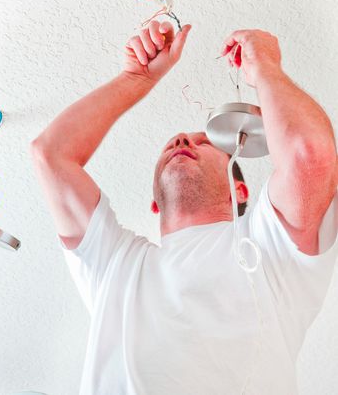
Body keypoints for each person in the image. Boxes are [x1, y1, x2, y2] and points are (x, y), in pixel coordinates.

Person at [30, 21, 338, 394]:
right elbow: (50, 155)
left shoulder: (267, 247)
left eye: (203, 142)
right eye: (171, 146)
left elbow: (310, 156)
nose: (181, 139)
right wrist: (135, 79)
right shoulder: (116, 262)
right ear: (154, 204)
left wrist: (266, 68)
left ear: (239, 190)